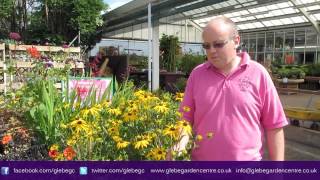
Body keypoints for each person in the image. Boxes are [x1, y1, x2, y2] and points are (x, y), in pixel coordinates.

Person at [179, 16, 288, 161]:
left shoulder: (258, 73)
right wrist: (179, 145)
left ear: (236, 41)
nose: (211, 51)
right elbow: (185, 119)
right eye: (206, 46)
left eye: (218, 44)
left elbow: (274, 125)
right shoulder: (197, 75)